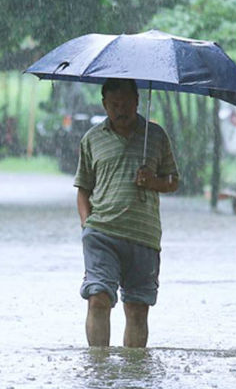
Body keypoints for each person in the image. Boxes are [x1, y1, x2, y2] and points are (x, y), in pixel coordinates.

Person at [74, 78, 179, 348]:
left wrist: (153, 181)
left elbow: (173, 182)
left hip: (143, 235)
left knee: (137, 309)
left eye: (126, 104)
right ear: (104, 104)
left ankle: (133, 376)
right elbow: (83, 189)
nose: (121, 110)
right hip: (101, 232)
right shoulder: (92, 139)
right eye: (114, 105)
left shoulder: (155, 137)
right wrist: (86, 227)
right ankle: (99, 371)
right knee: (98, 298)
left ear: (137, 101)